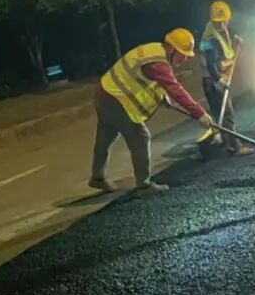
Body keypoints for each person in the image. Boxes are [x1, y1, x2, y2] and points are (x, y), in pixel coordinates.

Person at [89, 28, 214, 194]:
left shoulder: (154, 50)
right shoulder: (158, 63)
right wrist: (200, 113)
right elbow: (175, 89)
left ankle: (98, 177)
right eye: (182, 54)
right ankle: (144, 185)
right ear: (172, 48)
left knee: (106, 136)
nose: (184, 59)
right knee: (141, 137)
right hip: (115, 99)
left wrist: (161, 96)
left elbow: (148, 79)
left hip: (104, 91)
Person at [200, 0, 254, 157]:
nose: (221, 25)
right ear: (212, 20)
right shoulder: (211, 38)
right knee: (227, 114)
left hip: (212, 79)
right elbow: (211, 63)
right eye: (218, 22)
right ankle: (235, 147)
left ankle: (225, 142)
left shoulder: (218, 29)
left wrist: (236, 41)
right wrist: (219, 80)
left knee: (220, 115)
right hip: (213, 80)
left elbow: (227, 47)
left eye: (223, 21)